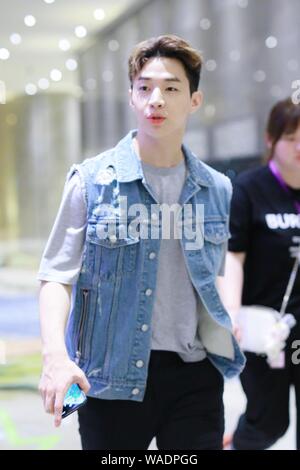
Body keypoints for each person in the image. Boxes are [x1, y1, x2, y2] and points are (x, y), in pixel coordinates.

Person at [37, 34, 245, 450]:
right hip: (105, 376)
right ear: (131, 97)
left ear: (194, 101)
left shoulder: (217, 188)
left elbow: (214, 269)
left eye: (171, 88)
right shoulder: (91, 180)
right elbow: (57, 275)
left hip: (195, 374)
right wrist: (56, 357)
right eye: (145, 87)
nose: (156, 100)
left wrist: (231, 318)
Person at [218, 98, 300, 450]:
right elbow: (232, 257)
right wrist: (231, 313)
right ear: (270, 139)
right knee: (268, 421)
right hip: (265, 331)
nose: (299, 147)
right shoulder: (249, 189)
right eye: (291, 137)